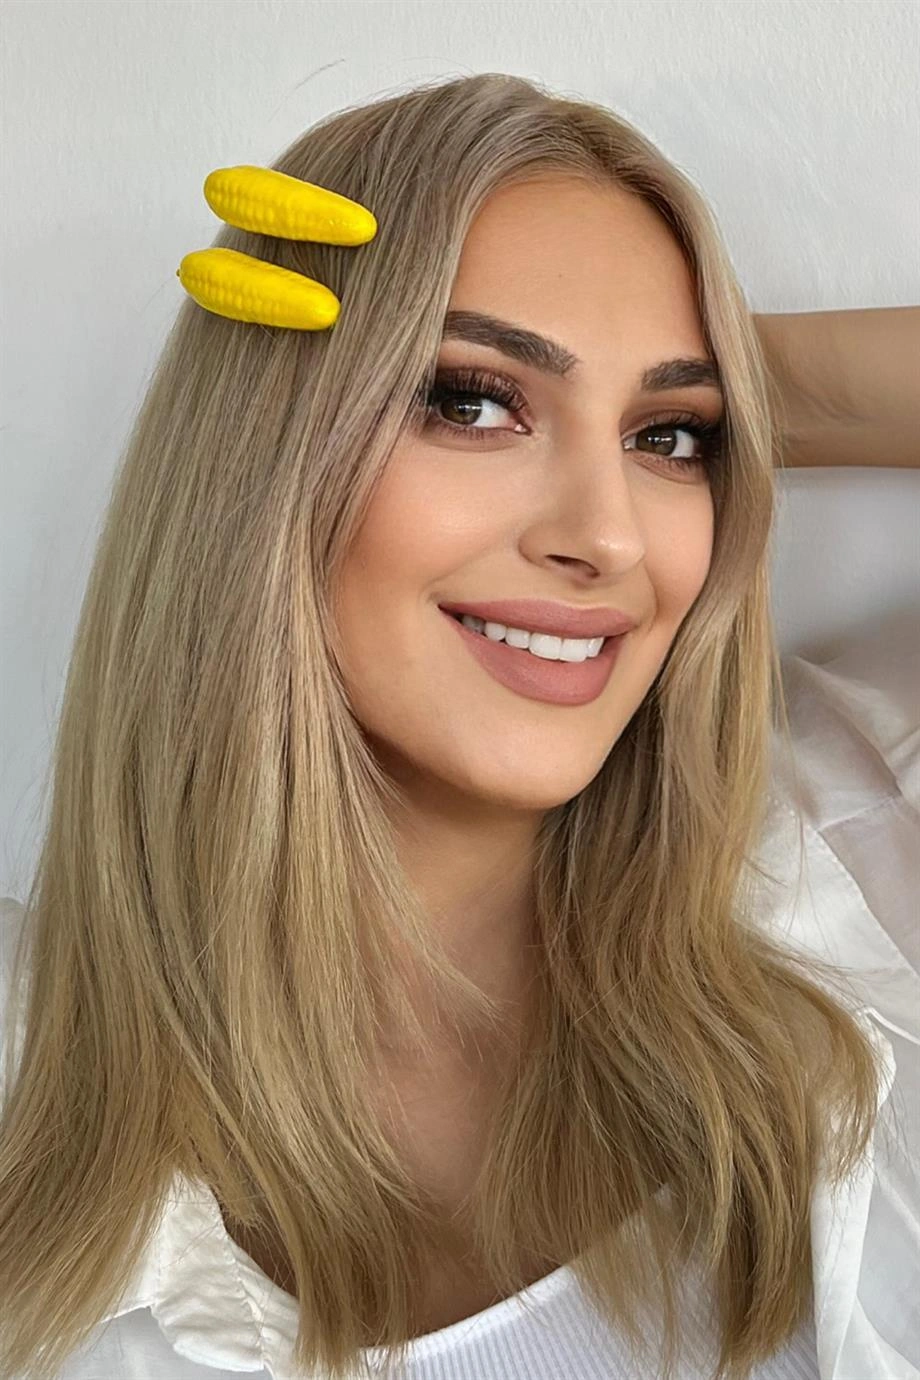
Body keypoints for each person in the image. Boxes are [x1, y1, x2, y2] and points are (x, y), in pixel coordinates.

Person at [0, 71, 917, 1380]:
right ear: (268, 455)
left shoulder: (856, 860)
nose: (606, 537)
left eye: (670, 438)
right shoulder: (27, 1084)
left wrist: (744, 380)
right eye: (471, 402)